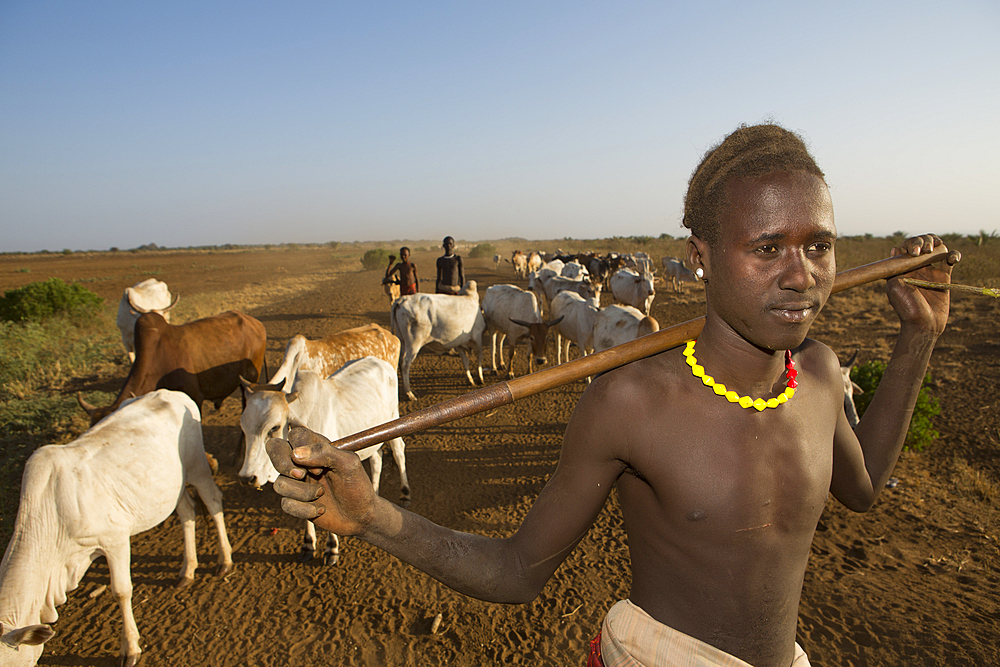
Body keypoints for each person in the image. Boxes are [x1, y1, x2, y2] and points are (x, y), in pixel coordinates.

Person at [266, 123, 960, 667]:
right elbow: (515, 569)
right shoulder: (630, 402)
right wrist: (373, 516)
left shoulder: (816, 371)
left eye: (820, 245)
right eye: (768, 248)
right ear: (701, 255)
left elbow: (863, 485)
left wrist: (918, 338)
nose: (802, 275)